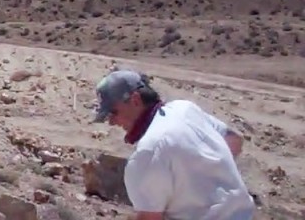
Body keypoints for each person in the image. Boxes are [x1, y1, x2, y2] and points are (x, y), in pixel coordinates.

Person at [92, 69, 255, 220]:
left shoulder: (147, 154)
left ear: (135, 100)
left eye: (113, 112)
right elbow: (234, 141)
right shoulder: (185, 109)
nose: (111, 122)